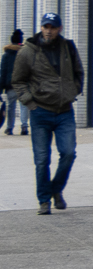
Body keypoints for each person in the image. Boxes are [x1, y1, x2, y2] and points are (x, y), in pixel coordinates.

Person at [13, 12, 83, 213]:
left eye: (52, 27)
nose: (49, 31)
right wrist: (30, 103)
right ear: (41, 28)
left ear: (59, 28)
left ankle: (56, 189)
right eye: (46, 27)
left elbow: (79, 72)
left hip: (64, 112)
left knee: (68, 153)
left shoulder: (68, 47)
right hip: (40, 112)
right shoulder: (28, 51)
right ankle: (44, 200)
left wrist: (73, 90)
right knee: (42, 159)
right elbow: (18, 81)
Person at [0, 29, 22, 136]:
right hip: (23, 84)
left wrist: (1, 87)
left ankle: (9, 128)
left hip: (10, 85)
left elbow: (2, 72)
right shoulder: (24, 54)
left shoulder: (6, 55)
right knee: (25, 106)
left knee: (11, 107)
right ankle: (24, 126)